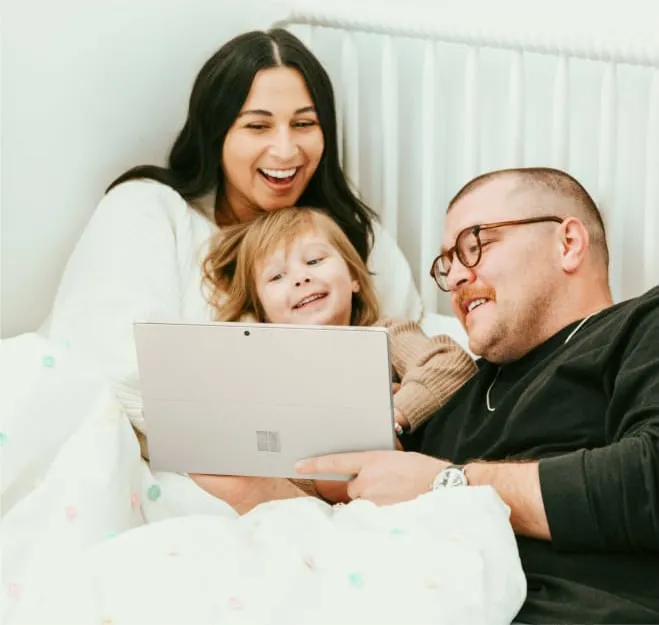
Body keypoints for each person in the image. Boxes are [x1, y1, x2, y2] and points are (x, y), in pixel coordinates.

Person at [46, 29, 422, 499]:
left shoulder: (353, 237)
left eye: (304, 124)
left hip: (323, 487)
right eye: (257, 126)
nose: (286, 151)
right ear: (216, 131)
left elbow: (411, 341)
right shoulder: (149, 210)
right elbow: (114, 361)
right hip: (164, 474)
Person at [296, 167, 659, 624]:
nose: (458, 278)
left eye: (475, 245)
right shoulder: (458, 398)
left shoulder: (642, 327)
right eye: (448, 265)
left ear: (567, 243)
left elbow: (650, 479)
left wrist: (449, 485)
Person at [200, 206, 476, 501]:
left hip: (403, 489)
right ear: (262, 311)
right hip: (314, 501)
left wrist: (389, 414)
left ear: (354, 278)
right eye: (277, 276)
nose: (300, 278)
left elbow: (451, 363)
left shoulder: (385, 334)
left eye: (315, 260)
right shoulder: (270, 373)